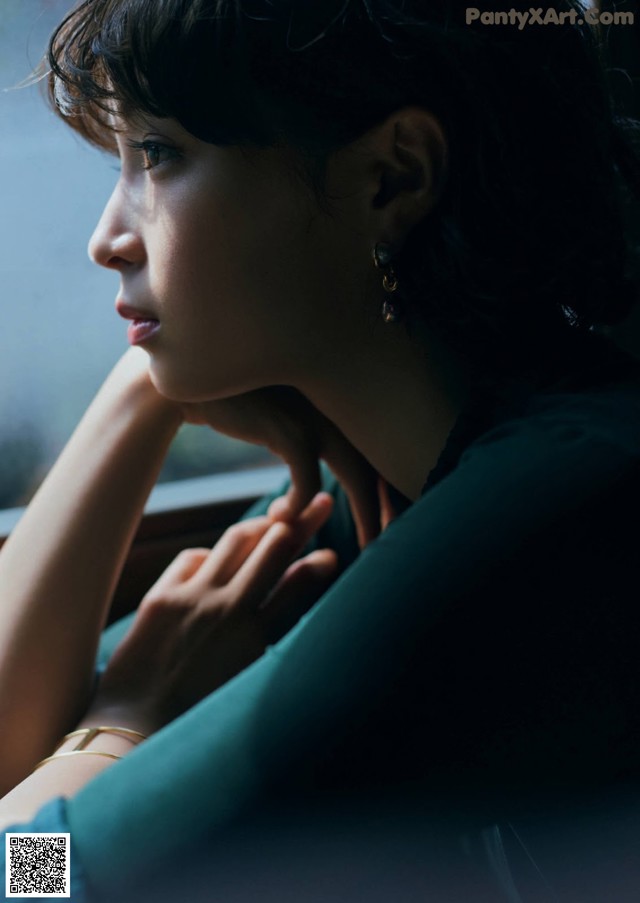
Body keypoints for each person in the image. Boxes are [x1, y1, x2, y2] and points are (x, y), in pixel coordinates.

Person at [1, 0, 640, 899]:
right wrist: (137, 394)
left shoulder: (546, 503)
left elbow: (31, 876)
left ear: (389, 177)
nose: (107, 240)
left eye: (159, 155)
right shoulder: (384, 481)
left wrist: (122, 727)